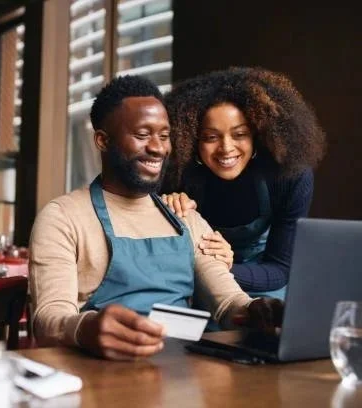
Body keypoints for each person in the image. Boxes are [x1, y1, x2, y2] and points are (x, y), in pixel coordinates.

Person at [29, 75, 283, 361]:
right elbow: (48, 319)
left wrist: (255, 311)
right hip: (99, 376)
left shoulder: (184, 217)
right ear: (102, 140)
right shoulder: (64, 217)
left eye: (164, 136)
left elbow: (228, 304)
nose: (158, 148)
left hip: (183, 378)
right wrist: (86, 328)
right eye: (142, 135)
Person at [161, 66, 326, 299]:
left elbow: (280, 269)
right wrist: (166, 207)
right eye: (210, 137)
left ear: (257, 135)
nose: (226, 148)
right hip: (196, 277)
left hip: (263, 280)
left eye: (239, 134)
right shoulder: (176, 176)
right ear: (192, 140)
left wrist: (225, 267)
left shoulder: (289, 176)